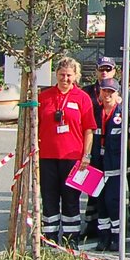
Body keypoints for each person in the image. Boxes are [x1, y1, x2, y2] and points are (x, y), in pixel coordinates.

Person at [38, 57, 95, 247]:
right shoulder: (44, 97)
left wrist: (86, 155)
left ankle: (71, 242)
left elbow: (89, 129)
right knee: (49, 199)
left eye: (69, 75)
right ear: (56, 74)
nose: (65, 79)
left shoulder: (82, 98)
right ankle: (50, 240)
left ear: (76, 76)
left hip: (72, 157)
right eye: (62, 75)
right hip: (47, 156)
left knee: (71, 200)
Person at [88, 73, 125, 253]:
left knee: (113, 201)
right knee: (100, 201)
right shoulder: (95, 112)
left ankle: (117, 237)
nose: (108, 95)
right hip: (97, 163)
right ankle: (103, 236)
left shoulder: (124, 114)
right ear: (100, 92)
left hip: (115, 164)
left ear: (117, 94)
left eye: (111, 91)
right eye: (105, 91)